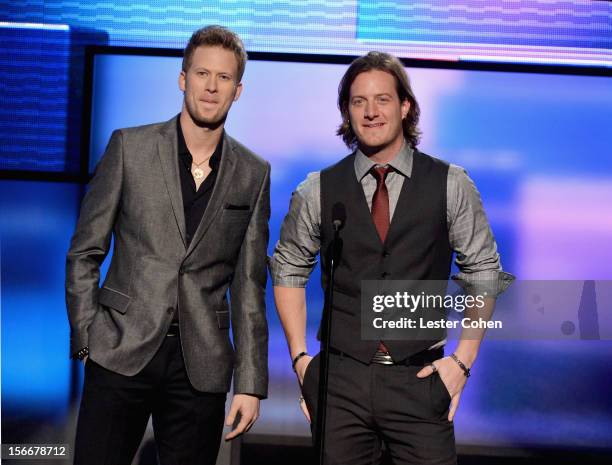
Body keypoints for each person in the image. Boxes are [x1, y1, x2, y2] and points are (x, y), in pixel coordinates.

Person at [271, 51, 513, 465]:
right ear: (346, 112)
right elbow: (288, 267)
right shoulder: (317, 190)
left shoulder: (451, 184)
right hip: (340, 382)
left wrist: (462, 363)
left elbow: (484, 271)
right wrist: (301, 363)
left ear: (405, 106)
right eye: (358, 101)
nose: (370, 112)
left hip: (419, 380)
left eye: (382, 99)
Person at [66, 25, 270, 465]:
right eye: (201, 74)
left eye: (224, 78)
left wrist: (250, 382)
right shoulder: (130, 147)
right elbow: (85, 250)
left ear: (238, 90)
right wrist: (87, 336)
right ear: (183, 79)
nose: (211, 87)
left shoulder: (254, 173)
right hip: (120, 349)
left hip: (202, 365)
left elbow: (250, 285)